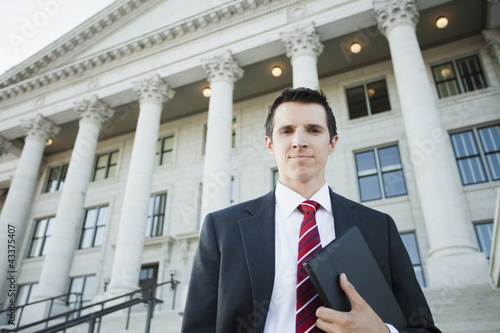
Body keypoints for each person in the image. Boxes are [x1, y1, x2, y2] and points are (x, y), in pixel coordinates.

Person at [181, 87, 441, 333]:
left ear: (332, 143)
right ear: (270, 144)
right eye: (286, 131)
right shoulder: (222, 228)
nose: (299, 141)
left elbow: (424, 328)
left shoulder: (378, 227)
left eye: (313, 130)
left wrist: (382, 331)